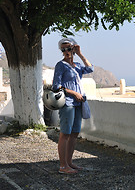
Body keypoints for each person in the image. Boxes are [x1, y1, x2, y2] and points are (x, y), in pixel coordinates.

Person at [52, 38, 93, 174]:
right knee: (65, 133)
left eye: (69, 48)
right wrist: (73, 93)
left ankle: (69, 162)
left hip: (78, 103)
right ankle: (63, 166)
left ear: (73, 49)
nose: (66, 52)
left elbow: (90, 68)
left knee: (74, 133)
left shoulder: (77, 65)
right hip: (68, 103)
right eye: (63, 49)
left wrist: (80, 54)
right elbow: (56, 86)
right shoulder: (61, 65)